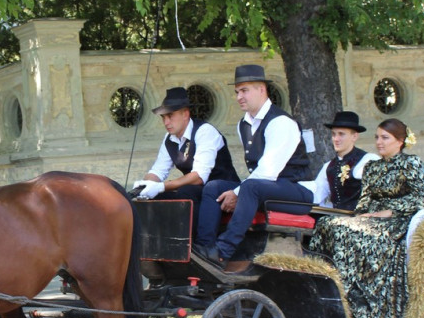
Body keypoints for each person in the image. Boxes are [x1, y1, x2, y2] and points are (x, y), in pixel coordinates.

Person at [308, 118, 424, 318]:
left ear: (400, 141)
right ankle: (329, 281)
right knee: (327, 224)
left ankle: (354, 294)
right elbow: (366, 199)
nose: (379, 142)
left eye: (385, 138)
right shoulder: (373, 167)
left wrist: (390, 211)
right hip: (374, 220)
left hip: (397, 222)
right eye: (377, 137)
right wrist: (362, 214)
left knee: (341, 229)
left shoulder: (410, 163)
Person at [195, 65, 313, 270]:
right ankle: (205, 249)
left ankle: (222, 252)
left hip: (295, 191)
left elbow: (268, 171)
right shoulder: (243, 125)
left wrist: (237, 193)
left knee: (250, 187)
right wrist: (234, 191)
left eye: (244, 90)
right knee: (213, 187)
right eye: (237, 92)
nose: (239, 96)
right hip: (266, 189)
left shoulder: (281, 122)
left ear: (261, 89)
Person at [132, 87, 240, 230]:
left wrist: (161, 186)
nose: (166, 122)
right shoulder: (169, 139)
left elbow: (199, 177)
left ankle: (198, 244)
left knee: (185, 192)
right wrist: (144, 186)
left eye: (170, 116)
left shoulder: (204, 131)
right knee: (155, 198)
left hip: (223, 189)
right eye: (163, 117)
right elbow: (158, 171)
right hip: (196, 190)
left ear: (185, 114)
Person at [304, 110, 424, 210]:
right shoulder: (328, 167)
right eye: (334, 134)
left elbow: (405, 172)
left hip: (361, 220)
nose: (336, 139)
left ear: (354, 136)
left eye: (341, 134)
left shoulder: (367, 160)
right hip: (338, 216)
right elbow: (316, 194)